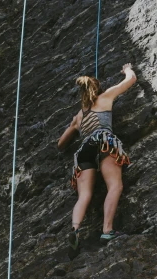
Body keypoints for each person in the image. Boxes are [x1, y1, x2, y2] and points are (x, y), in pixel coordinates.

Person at [57, 63, 137, 250]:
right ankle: (107, 230)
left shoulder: (78, 116)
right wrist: (126, 69)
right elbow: (131, 80)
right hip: (103, 142)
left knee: (84, 195)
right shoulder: (105, 97)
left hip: (84, 150)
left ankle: (75, 230)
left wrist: (74, 126)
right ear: (97, 89)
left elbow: (61, 144)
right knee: (115, 185)